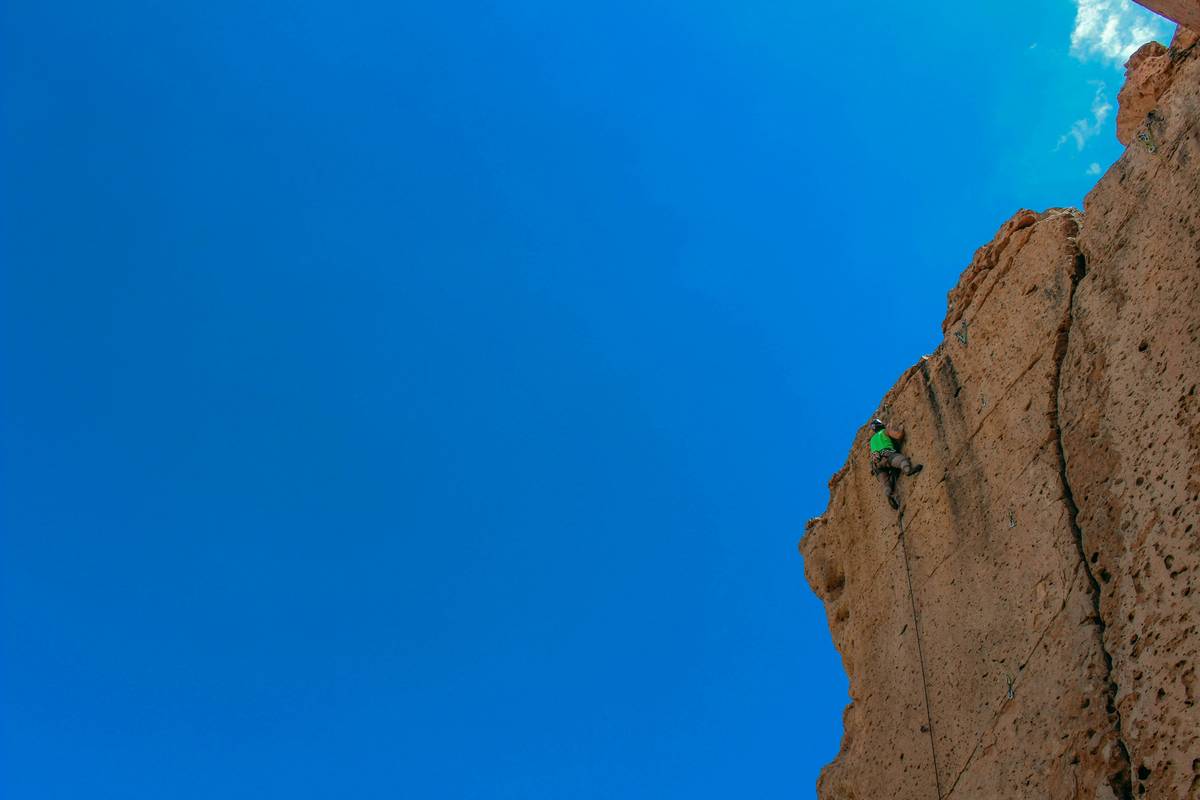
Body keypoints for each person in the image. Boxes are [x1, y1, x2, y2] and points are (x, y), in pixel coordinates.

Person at [869, 418, 923, 510]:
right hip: (888, 456)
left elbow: (873, 454)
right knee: (902, 460)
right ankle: (908, 470)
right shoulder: (884, 431)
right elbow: (898, 436)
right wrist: (900, 428)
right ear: (880, 425)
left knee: (886, 483)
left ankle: (889, 495)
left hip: (877, 465)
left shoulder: (872, 440)